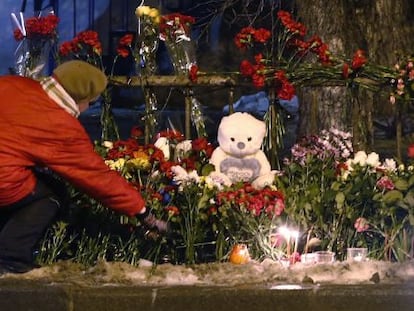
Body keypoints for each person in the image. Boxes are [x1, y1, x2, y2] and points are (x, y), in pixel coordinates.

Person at [0, 60, 168, 275]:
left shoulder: (15, 84)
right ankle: (10, 260)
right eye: (90, 102)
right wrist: (143, 212)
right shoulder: (60, 125)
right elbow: (96, 177)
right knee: (49, 194)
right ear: (81, 99)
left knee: (29, 179)